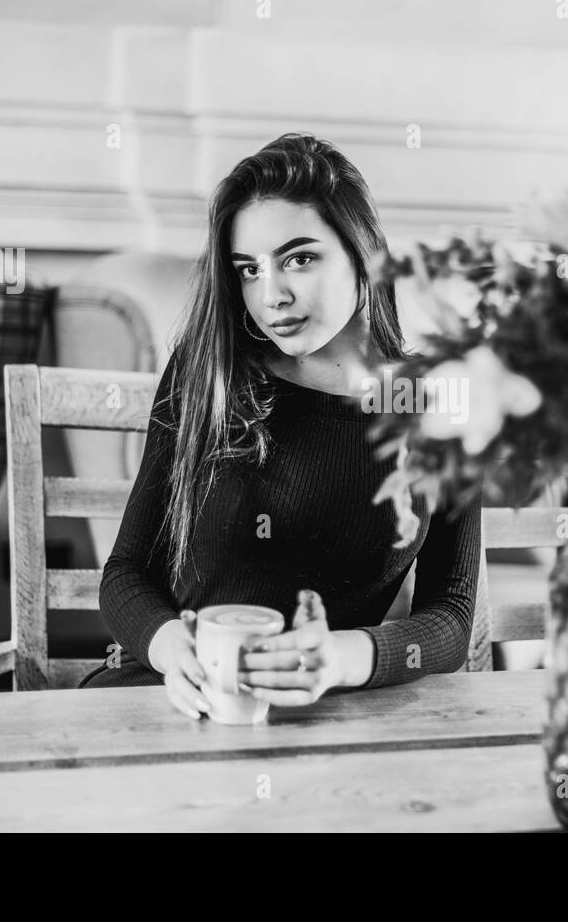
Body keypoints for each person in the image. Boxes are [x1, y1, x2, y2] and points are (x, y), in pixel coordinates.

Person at [80, 133, 482, 719]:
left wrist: (343, 659)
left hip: (326, 720)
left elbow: (451, 615)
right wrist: (176, 653)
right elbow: (125, 575)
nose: (273, 296)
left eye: (299, 258)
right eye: (249, 269)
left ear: (363, 253)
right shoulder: (209, 372)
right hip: (167, 700)